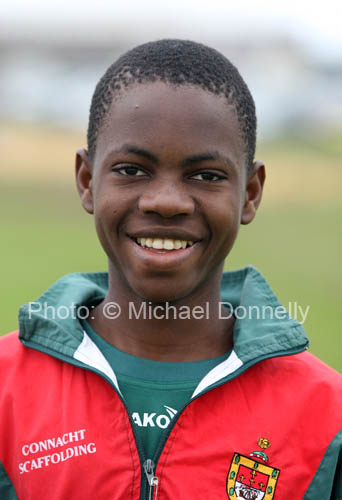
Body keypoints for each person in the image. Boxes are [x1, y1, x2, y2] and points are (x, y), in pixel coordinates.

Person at [0, 39, 341, 500]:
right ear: (86, 181)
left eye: (206, 176)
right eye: (131, 169)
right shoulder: (7, 392)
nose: (166, 202)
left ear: (251, 193)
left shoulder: (327, 417)